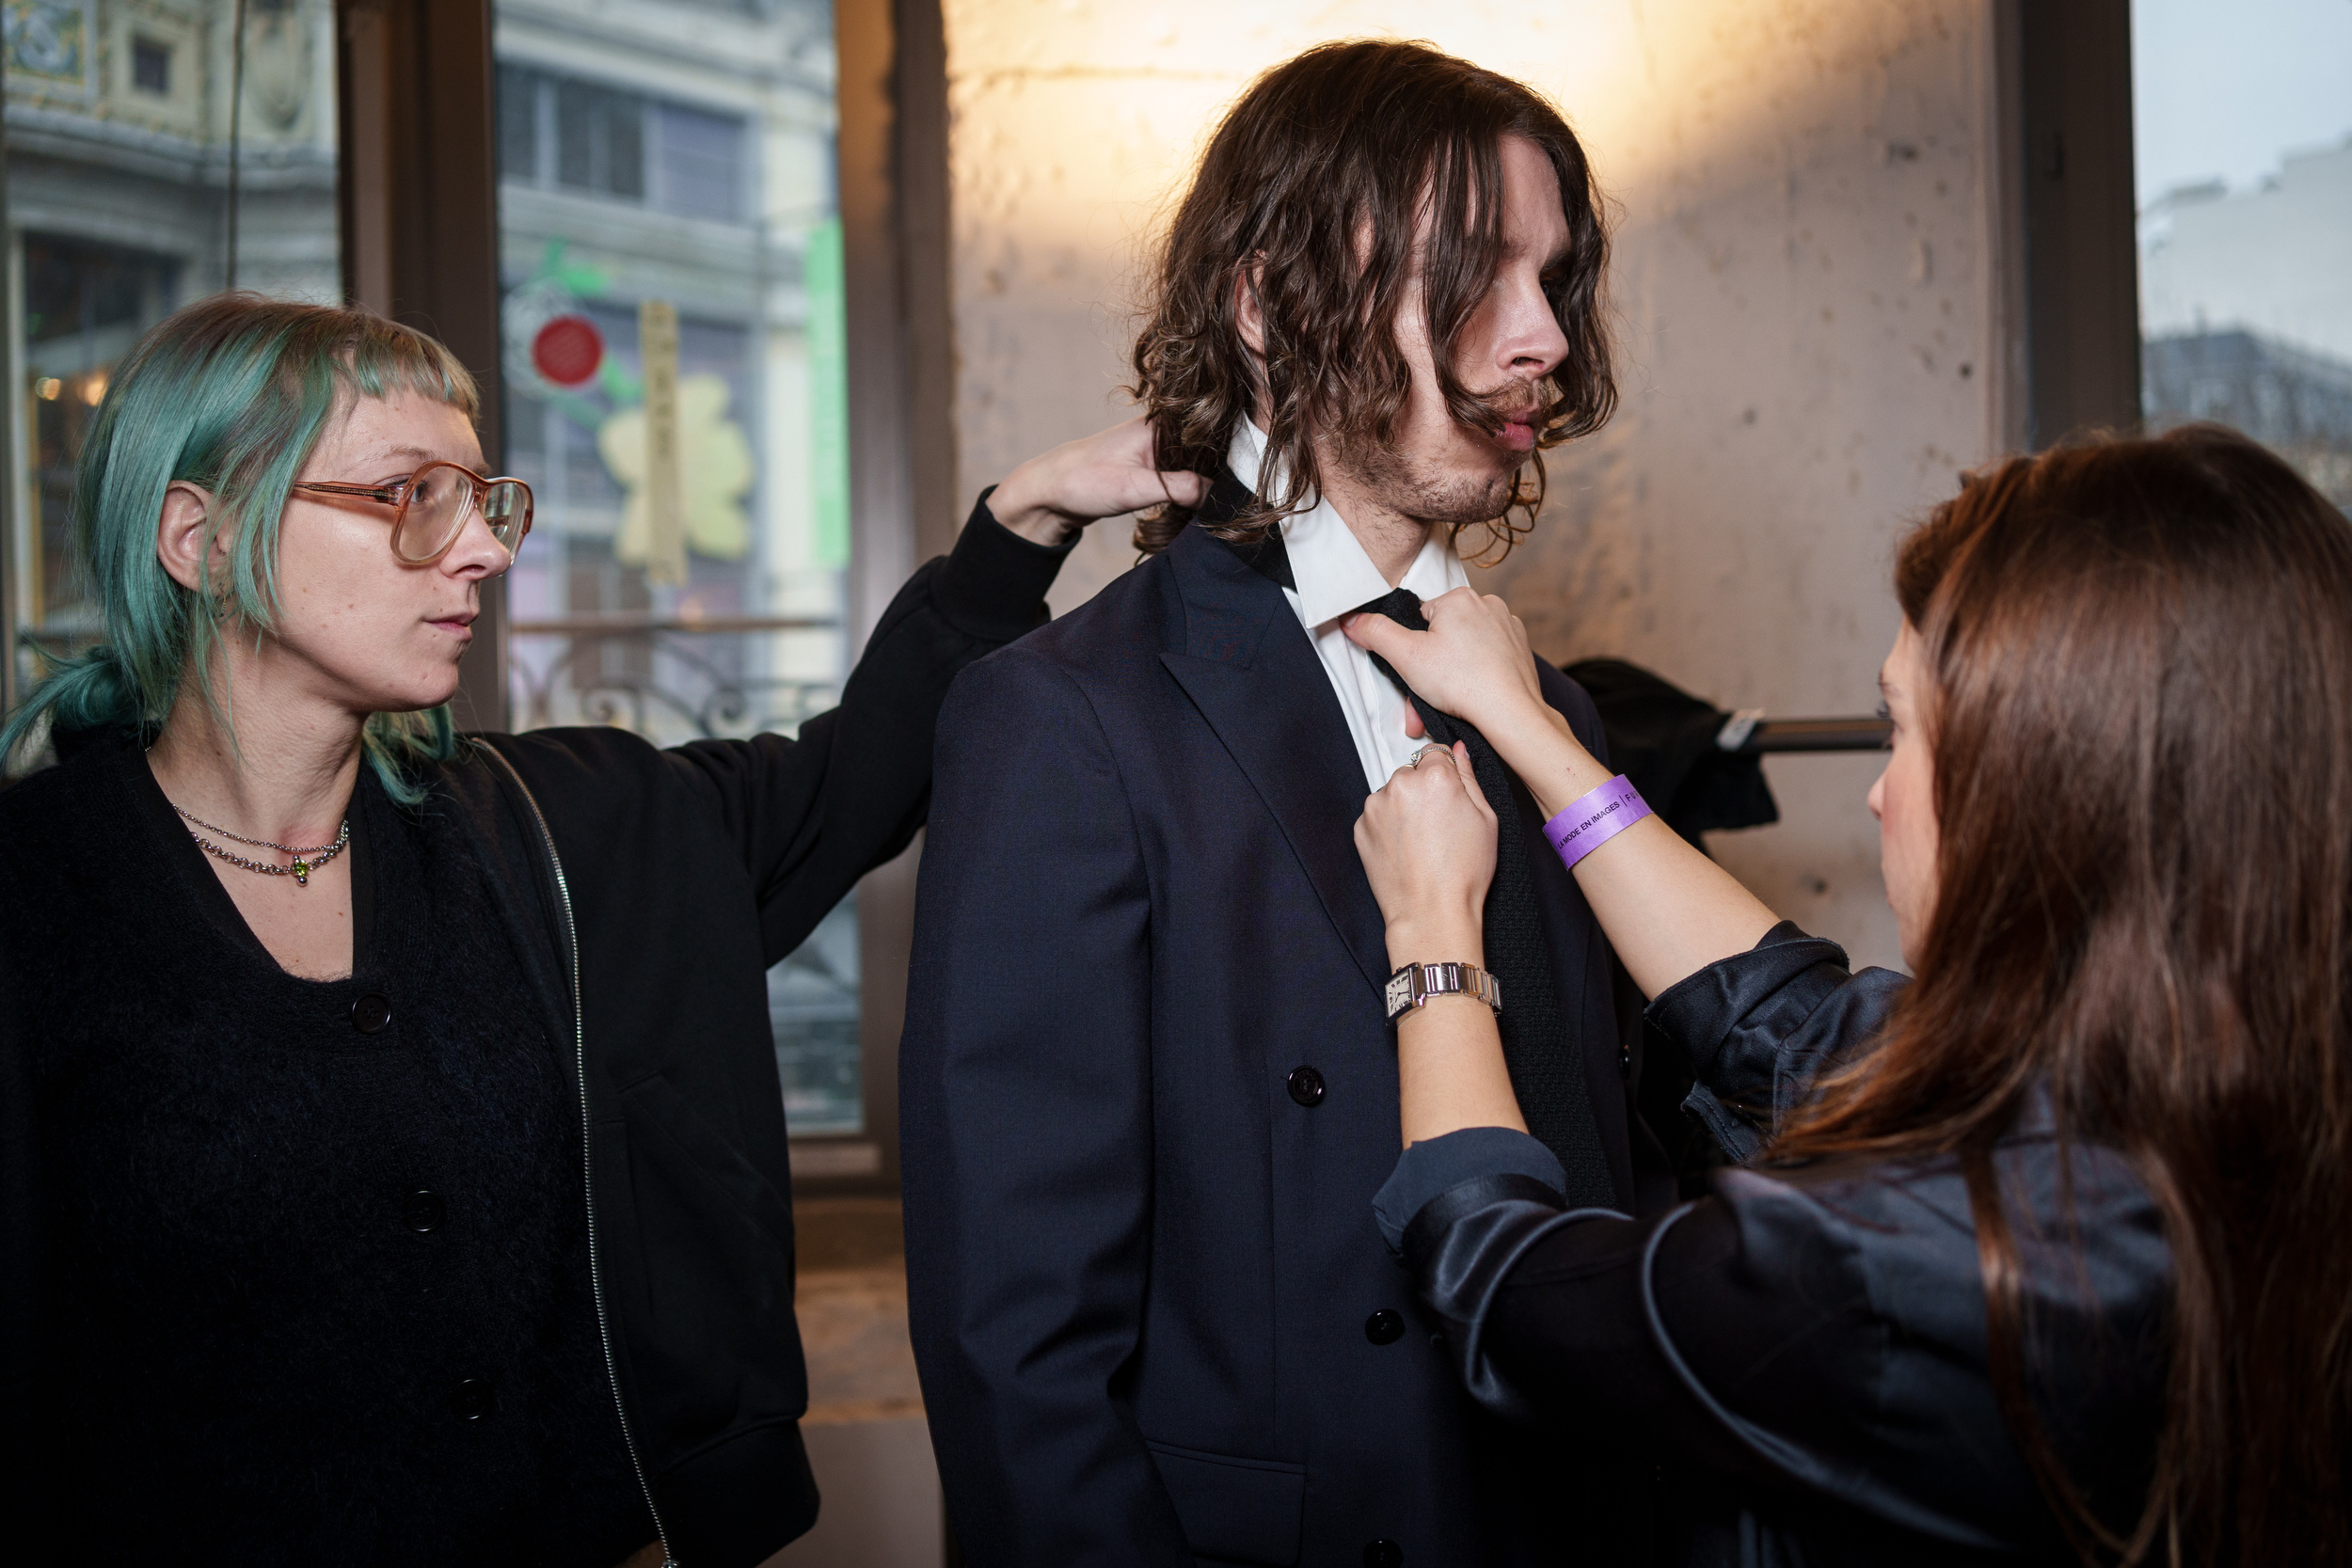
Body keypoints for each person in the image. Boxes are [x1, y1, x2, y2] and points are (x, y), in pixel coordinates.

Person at [0, 293, 1200, 1566]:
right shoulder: (37, 897)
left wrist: (1023, 520)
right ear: (199, 533)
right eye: (412, 496)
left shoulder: (561, 828)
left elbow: (854, 783)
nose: (483, 551)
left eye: (486, 499)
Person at [901, 40, 1669, 1564]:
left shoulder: (1551, 714)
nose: (1543, 346)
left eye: (1554, 281)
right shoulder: (1064, 717)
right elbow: (1018, 1343)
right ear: (1267, 305)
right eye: (1476, 275)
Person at [1347, 425, 2352, 1564]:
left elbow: (1511, 1294)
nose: (1877, 793)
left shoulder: (1914, 1265)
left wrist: (1432, 934)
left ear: (2042, 794)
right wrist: (1530, 731)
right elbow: (1779, 1013)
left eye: (1900, 730)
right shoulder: (2189, 1091)